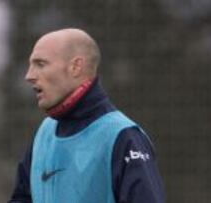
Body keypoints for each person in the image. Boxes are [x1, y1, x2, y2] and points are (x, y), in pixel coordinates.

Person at [8, 28, 165, 203]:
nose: (29, 76)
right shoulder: (44, 133)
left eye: (41, 64)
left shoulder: (123, 136)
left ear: (76, 67)